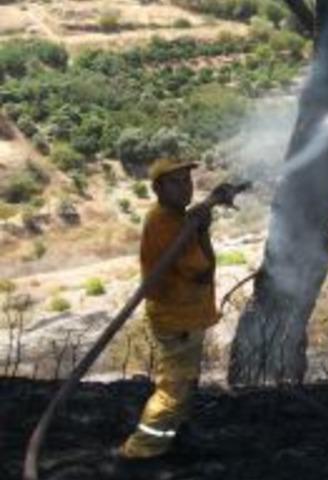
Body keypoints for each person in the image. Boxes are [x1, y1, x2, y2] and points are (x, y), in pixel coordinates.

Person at [117, 158, 218, 459]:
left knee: (184, 382)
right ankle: (141, 449)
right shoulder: (167, 223)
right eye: (176, 182)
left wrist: (198, 221)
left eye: (188, 181)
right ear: (158, 188)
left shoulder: (173, 217)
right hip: (178, 320)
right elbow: (204, 271)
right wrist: (202, 232)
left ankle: (174, 436)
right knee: (174, 388)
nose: (186, 188)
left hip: (183, 316)